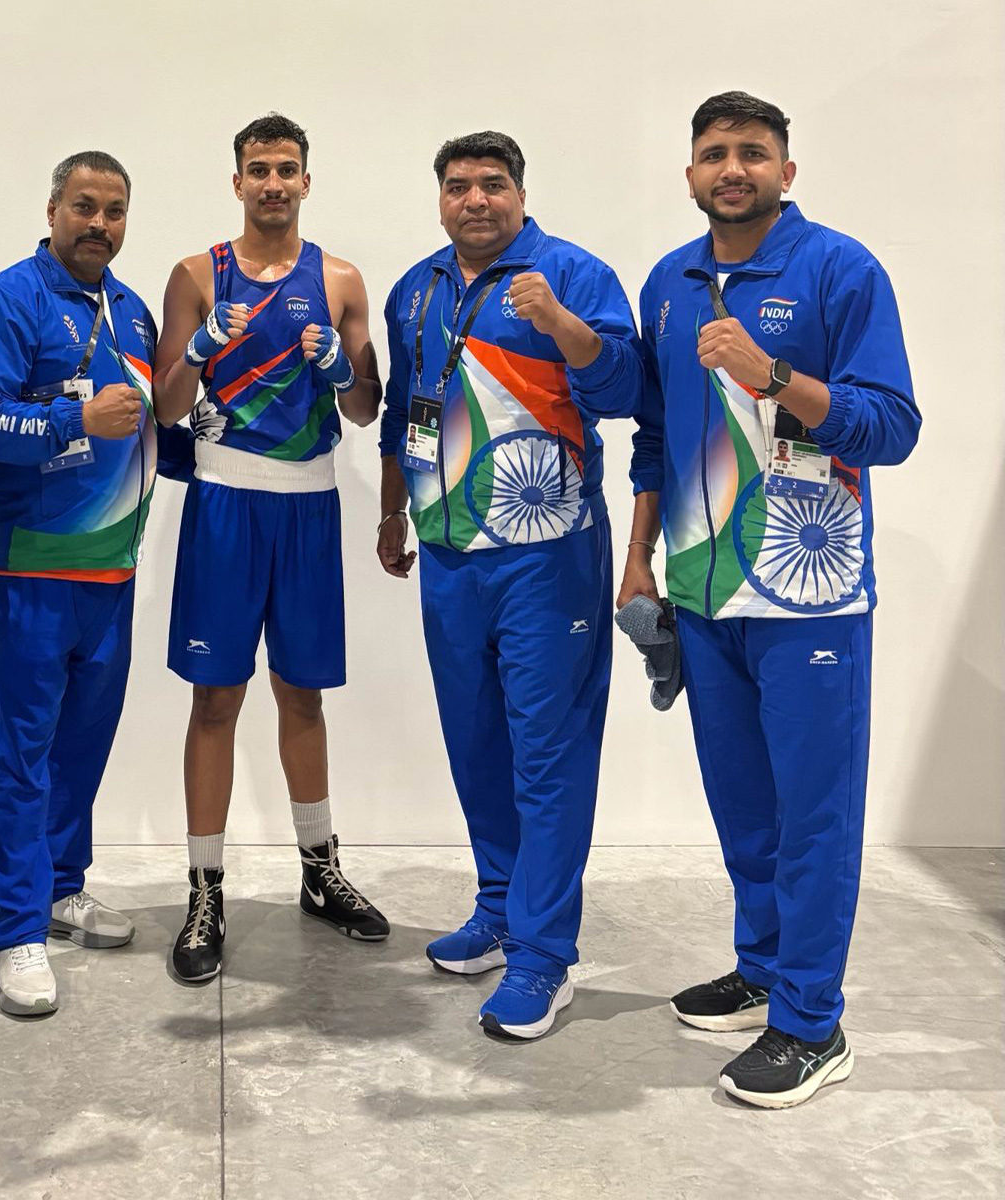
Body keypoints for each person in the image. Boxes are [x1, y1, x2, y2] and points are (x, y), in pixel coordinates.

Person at [622, 91, 920, 1107]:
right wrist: (638, 565)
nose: (732, 168)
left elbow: (889, 427)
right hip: (705, 592)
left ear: (786, 171)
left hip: (811, 595)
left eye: (753, 152)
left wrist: (773, 373)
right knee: (745, 809)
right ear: (690, 173)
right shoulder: (668, 282)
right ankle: (763, 968)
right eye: (714, 153)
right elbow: (654, 439)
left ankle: (811, 1023)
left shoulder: (840, 268)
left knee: (814, 816)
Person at [376, 132, 642, 1039]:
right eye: (458, 186)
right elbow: (401, 414)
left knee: (548, 752)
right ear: (440, 198)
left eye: (493, 185)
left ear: (523, 193)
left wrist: (562, 323)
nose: (475, 200)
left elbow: (623, 388)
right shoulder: (417, 287)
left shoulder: (573, 272)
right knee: (477, 740)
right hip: (449, 550)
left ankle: (543, 956)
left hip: (547, 553)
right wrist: (390, 513)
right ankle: (499, 906)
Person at [152, 113, 387, 984]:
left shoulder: (343, 279)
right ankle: (205, 888)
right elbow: (168, 408)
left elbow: (365, 408)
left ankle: (319, 869)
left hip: (308, 506)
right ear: (238, 180)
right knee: (215, 701)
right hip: (223, 504)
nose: (274, 184)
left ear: (307, 181)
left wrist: (338, 375)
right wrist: (205, 347)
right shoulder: (194, 275)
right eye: (259, 169)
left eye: (288, 169)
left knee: (304, 695)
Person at [0, 150, 156, 1016]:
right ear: (52, 209)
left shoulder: (135, 312)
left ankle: (62, 887)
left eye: (114, 211)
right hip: (30, 572)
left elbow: (151, 429)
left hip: (111, 571)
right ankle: (15, 931)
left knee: (82, 745)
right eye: (84, 207)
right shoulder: (8, 299)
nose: (99, 225)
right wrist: (73, 416)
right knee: (19, 754)